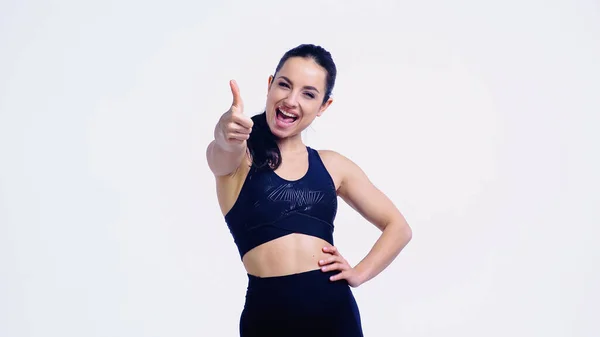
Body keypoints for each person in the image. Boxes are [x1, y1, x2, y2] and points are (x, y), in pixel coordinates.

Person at [206, 44, 412, 337]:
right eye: (284, 85)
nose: (291, 100)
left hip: (335, 315)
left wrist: (358, 273)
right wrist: (225, 131)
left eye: (308, 94)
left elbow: (399, 227)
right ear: (269, 85)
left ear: (323, 107)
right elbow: (221, 150)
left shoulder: (333, 165)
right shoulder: (239, 157)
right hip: (268, 319)